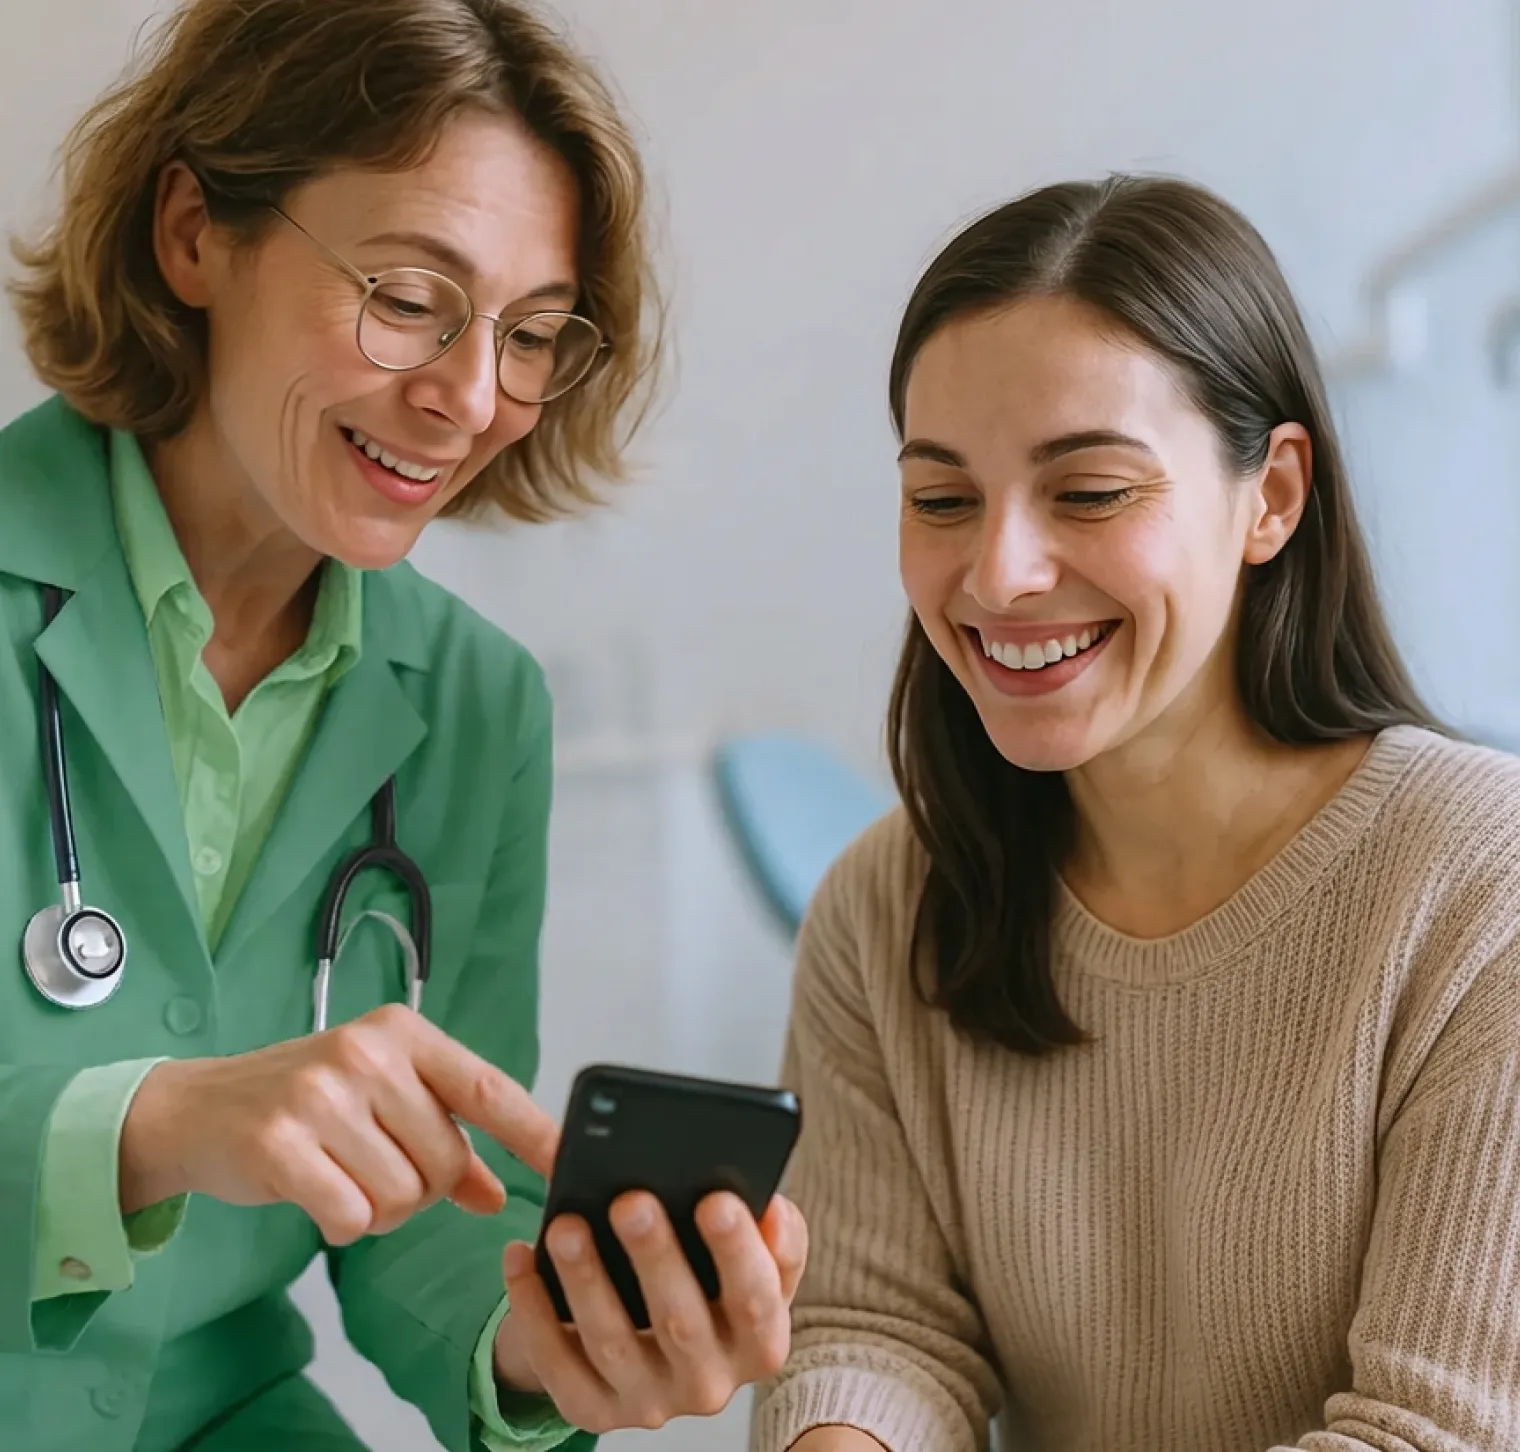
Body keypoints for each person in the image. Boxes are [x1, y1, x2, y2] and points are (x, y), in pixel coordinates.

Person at [0, 1, 806, 1449]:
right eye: (409, 295)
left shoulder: (476, 709)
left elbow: (428, 1213)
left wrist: (545, 1356)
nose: (471, 396)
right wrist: (152, 1125)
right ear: (195, 233)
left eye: (533, 334)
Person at [750, 174, 1520, 1452]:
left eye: (1090, 491)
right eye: (941, 499)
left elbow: (1429, 1432)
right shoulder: (886, 906)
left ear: (1269, 497)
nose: (997, 575)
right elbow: (869, 1334)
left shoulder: (1478, 886)